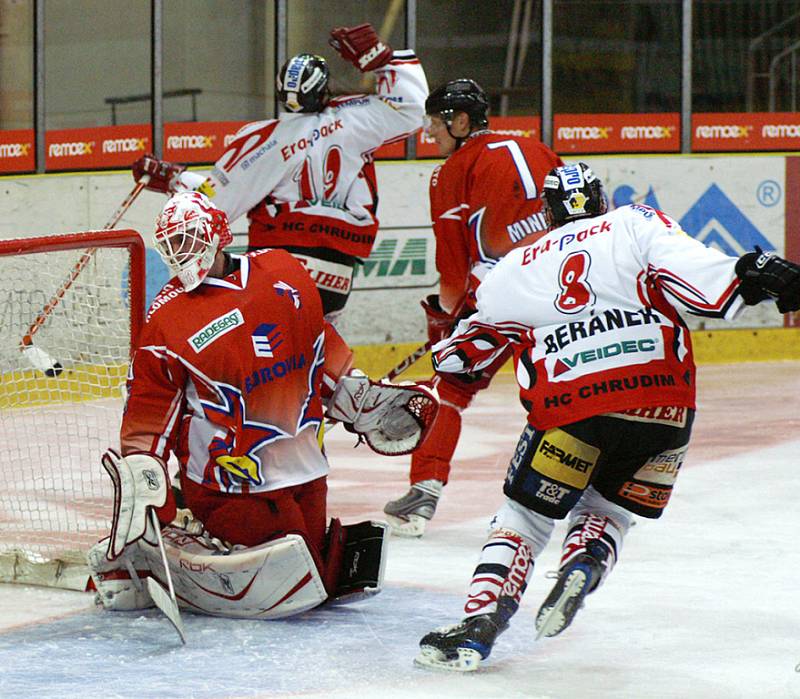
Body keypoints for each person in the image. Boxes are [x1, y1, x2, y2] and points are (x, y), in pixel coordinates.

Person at [413, 162, 800, 670]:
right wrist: (757, 271)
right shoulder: (636, 221)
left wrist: (452, 332)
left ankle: (477, 627)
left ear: (547, 211)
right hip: (665, 407)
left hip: (575, 409)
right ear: (599, 199)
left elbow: (461, 357)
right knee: (612, 508)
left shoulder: (516, 263)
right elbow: (708, 282)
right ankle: (585, 560)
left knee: (525, 518)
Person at [87, 191, 438, 619]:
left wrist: (352, 393)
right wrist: (144, 472)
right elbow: (150, 405)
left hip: (306, 466)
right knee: (292, 563)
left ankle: (199, 537)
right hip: (227, 482)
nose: (183, 254)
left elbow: (317, 343)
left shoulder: (283, 268)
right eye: (173, 245)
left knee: (315, 566)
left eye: (190, 240)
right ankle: (182, 536)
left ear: (218, 234)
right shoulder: (167, 318)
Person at [131, 23, 428, 325]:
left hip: (281, 261)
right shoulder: (353, 118)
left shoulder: (265, 141)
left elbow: (215, 202)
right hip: (338, 269)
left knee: (264, 349)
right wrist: (383, 60)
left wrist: (175, 180)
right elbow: (415, 109)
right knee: (318, 350)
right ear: (323, 90)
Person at [383, 79, 563, 537]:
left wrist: (445, 322)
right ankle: (584, 494)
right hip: (565, 290)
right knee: (567, 390)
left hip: (502, 298)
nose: (430, 133)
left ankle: (422, 495)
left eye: (436, 123)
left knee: (448, 389)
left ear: (461, 122)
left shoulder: (450, 173)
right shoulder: (539, 150)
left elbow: (453, 272)